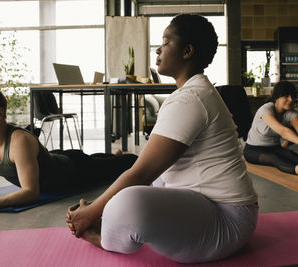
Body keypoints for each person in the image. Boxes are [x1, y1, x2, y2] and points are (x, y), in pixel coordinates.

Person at [66, 14, 258, 264]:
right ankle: (107, 219)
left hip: (226, 221)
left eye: (166, 42)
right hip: (211, 208)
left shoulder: (191, 98)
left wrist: (91, 212)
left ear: (187, 51)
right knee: (144, 183)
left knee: (130, 200)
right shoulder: (194, 91)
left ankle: (104, 237)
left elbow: (140, 174)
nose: (158, 49)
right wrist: (99, 208)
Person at [0, 89, 138, 212]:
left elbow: (31, 192)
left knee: (127, 162)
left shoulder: (19, 141)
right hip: (56, 157)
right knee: (95, 158)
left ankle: (116, 157)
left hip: (75, 170)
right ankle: (112, 155)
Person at [243, 81, 298, 180]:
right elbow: (283, 131)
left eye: (293, 96)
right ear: (277, 97)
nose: (290, 99)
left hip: (275, 147)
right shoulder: (266, 109)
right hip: (254, 149)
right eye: (286, 96)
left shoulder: (290, 113)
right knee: (275, 158)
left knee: (292, 156)